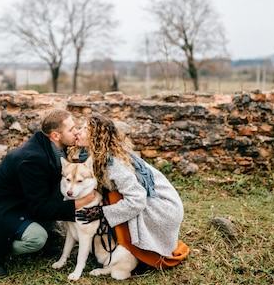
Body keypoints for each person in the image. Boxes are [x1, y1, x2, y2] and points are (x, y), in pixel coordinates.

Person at [0, 109, 95, 278]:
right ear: (56, 135)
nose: (77, 132)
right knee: (37, 239)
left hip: (21, 202)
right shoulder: (33, 159)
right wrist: (79, 203)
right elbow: (39, 208)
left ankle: (37, 241)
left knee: (60, 191)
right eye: (71, 129)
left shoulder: (53, 146)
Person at [75, 113, 189, 270]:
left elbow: (137, 200)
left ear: (95, 136)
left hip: (163, 209)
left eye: (84, 129)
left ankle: (136, 253)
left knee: (114, 198)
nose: (77, 132)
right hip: (151, 202)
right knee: (111, 196)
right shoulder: (93, 156)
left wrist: (102, 212)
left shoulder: (114, 164)